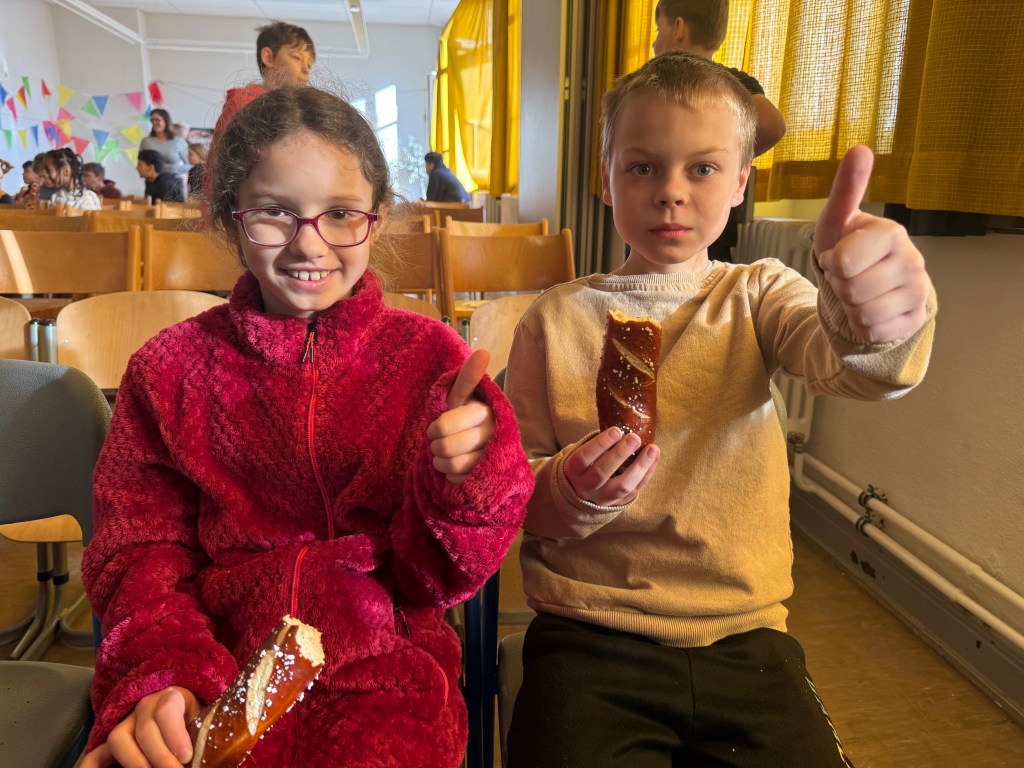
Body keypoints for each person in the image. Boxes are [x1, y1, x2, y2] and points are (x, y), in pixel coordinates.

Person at [78, 85, 533, 768]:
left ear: (376, 219)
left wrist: (467, 485)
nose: (308, 244)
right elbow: (138, 552)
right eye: (274, 213)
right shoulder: (168, 370)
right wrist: (162, 671)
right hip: (212, 659)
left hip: (385, 671)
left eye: (340, 214)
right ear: (231, 218)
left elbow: (437, 580)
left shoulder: (430, 361)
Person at [503, 51, 935, 768]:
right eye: (643, 167)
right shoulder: (554, 320)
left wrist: (876, 324)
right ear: (606, 177)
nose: (671, 193)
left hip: (746, 635)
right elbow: (512, 487)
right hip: (589, 631)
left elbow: (847, 364)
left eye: (702, 168)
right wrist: (568, 491)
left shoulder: (760, 294)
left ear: (740, 181)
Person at [653, 0, 786, 262]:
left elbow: (773, 125)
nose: (655, 43)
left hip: (686, 222)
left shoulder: (660, 84)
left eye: (659, 30)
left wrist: (723, 162)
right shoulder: (733, 83)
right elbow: (773, 127)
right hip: (705, 220)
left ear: (678, 28)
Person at [213, 20, 316, 140]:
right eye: (297, 58)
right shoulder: (245, 105)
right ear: (268, 58)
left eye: (309, 65)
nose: (306, 70)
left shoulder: (297, 108)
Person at [141, 107, 190, 197]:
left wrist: (175, 169)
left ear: (166, 121)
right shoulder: (146, 142)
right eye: (152, 120)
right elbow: (141, 163)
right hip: (152, 185)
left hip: (173, 184)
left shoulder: (178, 141)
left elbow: (190, 163)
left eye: (157, 120)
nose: (154, 123)